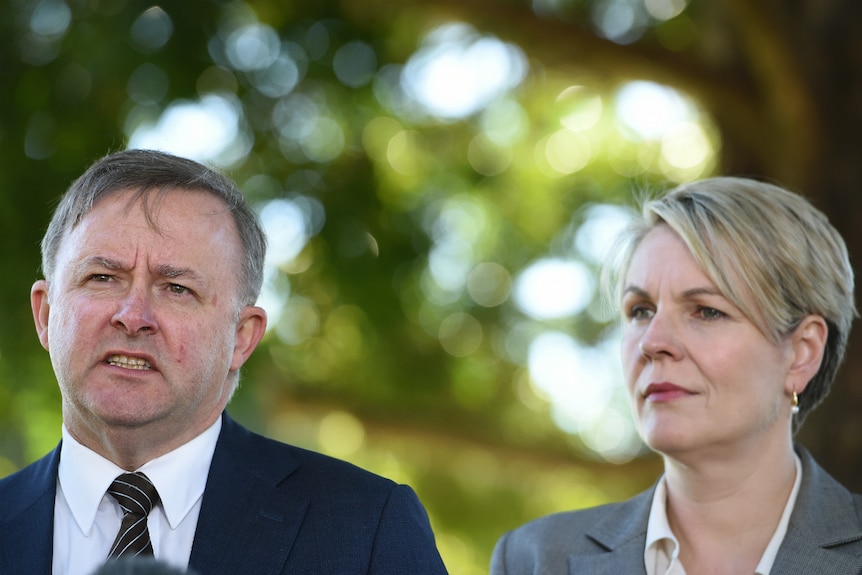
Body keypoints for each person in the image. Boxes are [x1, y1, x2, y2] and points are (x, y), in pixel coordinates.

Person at [0, 149, 449, 575]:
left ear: (241, 337)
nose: (133, 316)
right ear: (45, 314)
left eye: (177, 288)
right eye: (102, 277)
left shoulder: (365, 526)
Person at [491, 177, 862, 574]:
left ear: (801, 354)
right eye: (641, 311)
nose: (652, 342)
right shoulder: (534, 559)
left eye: (706, 310)